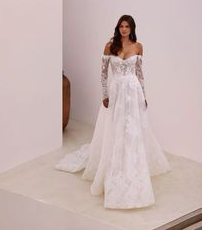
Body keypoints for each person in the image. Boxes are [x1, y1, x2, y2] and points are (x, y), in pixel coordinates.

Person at [56, 15, 171, 209]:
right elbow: (103, 73)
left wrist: (143, 95)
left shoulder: (138, 46)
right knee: (116, 127)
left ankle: (132, 164)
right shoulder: (109, 46)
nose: (124, 29)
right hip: (116, 91)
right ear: (117, 27)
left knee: (133, 128)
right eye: (121, 26)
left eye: (127, 26)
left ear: (132, 28)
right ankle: (113, 165)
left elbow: (140, 74)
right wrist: (105, 94)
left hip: (132, 91)